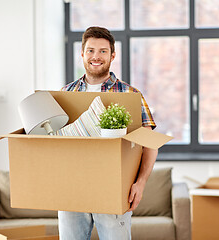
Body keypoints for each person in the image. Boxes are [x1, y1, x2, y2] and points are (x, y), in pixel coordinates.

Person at [59, 26, 158, 240]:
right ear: (82, 54)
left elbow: (149, 142)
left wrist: (140, 184)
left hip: (114, 188)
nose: (96, 56)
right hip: (72, 189)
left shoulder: (130, 94)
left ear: (113, 55)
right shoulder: (65, 94)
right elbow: (55, 143)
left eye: (103, 51)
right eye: (91, 50)